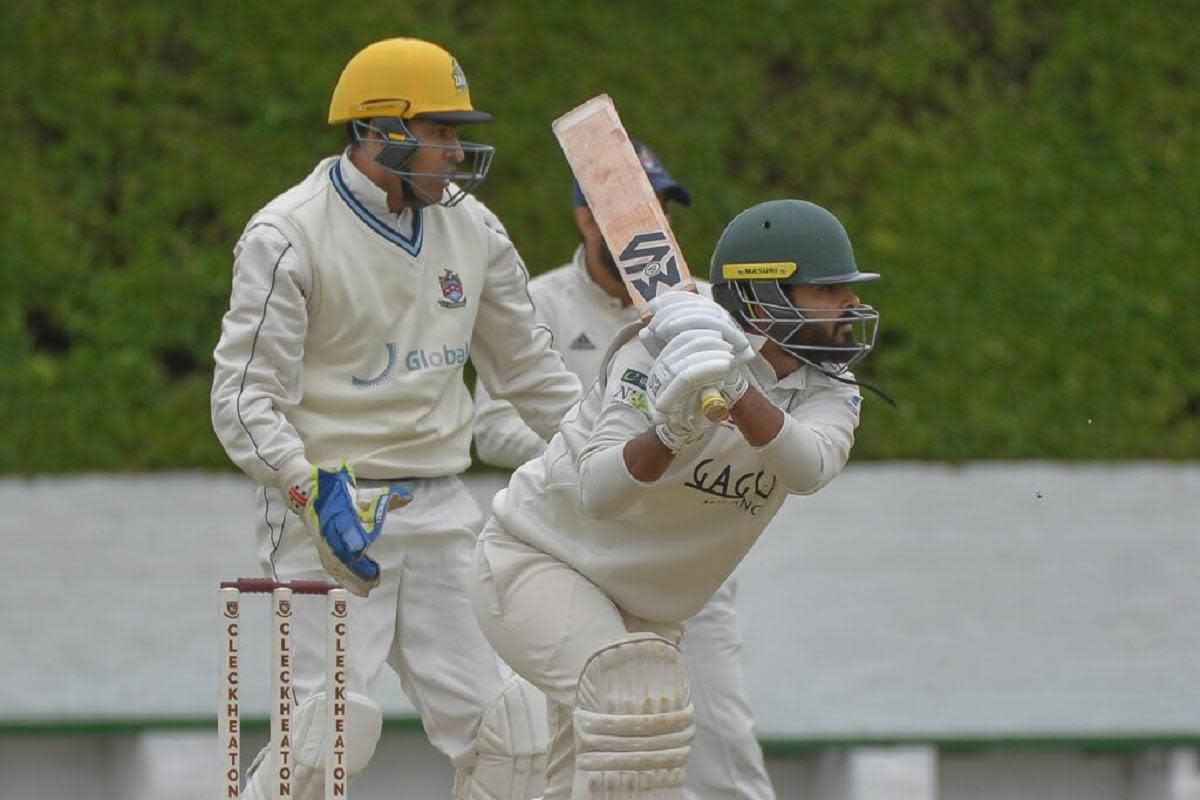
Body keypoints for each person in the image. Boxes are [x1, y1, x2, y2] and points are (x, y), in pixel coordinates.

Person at [210, 37, 580, 800]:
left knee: (512, 736)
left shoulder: (473, 229)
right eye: (440, 132)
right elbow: (243, 403)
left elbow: (535, 376)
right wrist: (308, 487)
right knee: (324, 737)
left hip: (444, 508)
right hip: (329, 516)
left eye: (456, 132)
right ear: (377, 130)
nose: (455, 150)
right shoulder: (287, 235)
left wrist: (606, 452)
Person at [469, 198, 881, 799]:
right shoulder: (654, 350)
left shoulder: (830, 388)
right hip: (537, 564)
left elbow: (809, 467)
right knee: (634, 709)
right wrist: (668, 435)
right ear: (765, 298)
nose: (850, 306)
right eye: (829, 290)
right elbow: (601, 492)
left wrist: (736, 388)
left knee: (612, 769)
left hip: (649, 609)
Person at [472, 142, 776, 800]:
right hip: (569, 556)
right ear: (586, 217)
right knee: (567, 752)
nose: (655, 225)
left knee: (723, 746)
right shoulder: (541, 304)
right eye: (640, 211)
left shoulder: (701, 306)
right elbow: (490, 426)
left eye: (663, 210)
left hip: (678, 564)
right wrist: (597, 454)